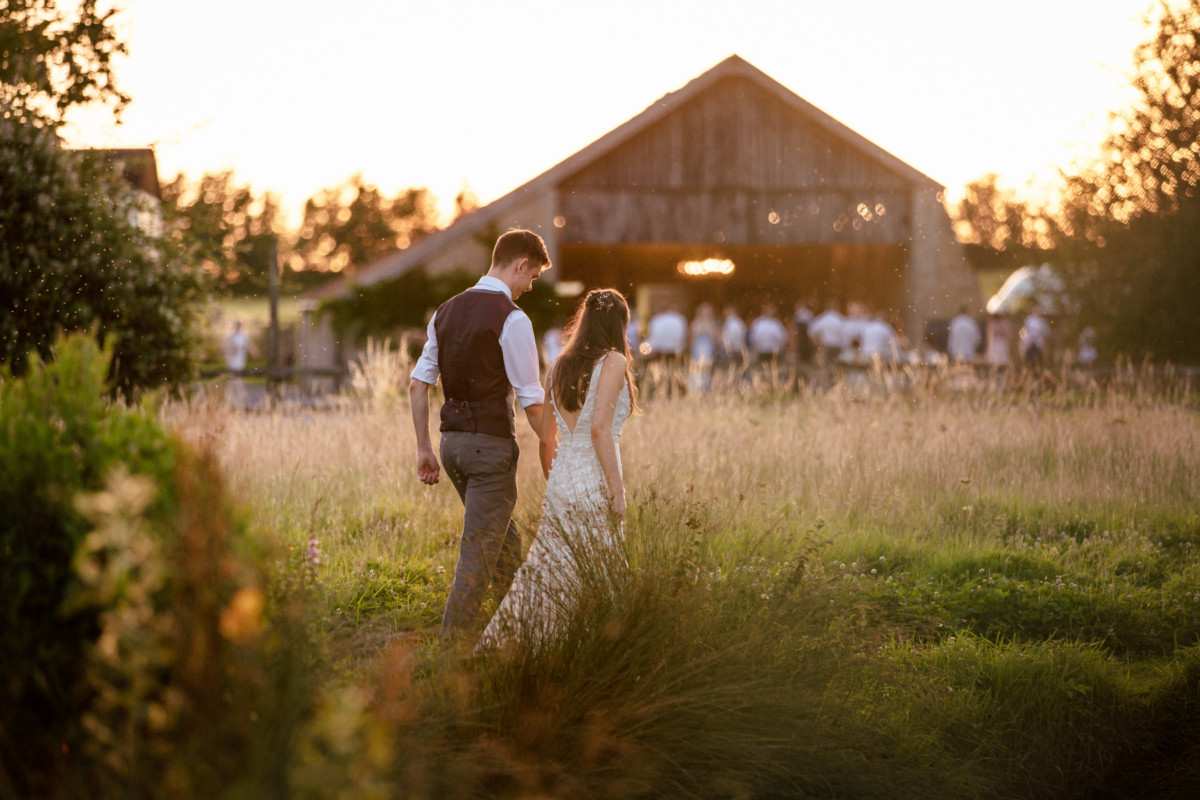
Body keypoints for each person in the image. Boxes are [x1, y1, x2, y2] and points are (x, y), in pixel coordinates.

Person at [408, 229, 550, 641]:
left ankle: (517, 635)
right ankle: (450, 658)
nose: (528, 287)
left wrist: (424, 449)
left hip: (451, 447)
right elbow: (531, 400)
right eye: (533, 277)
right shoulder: (513, 318)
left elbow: (418, 385)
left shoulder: (445, 311)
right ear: (520, 264)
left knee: (504, 547)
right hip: (489, 451)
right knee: (477, 557)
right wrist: (558, 448)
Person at [478, 288, 637, 649]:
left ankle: (522, 641)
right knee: (600, 568)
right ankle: (596, 644)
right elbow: (599, 429)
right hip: (594, 477)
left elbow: (546, 438)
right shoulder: (613, 361)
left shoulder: (558, 365)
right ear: (618, 323)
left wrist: (557, 477)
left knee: (549, 568)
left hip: (563, 478)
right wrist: (617, 489)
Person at [222, 319, 258, 407]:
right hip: (231, 361)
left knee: (237, 379)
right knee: (233, 379)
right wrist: (230, 347)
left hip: (240, 361)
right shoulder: (230, 335)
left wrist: (254, 352)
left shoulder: (244, 335)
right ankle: (233, 399)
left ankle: (237, 399)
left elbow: (250, 345)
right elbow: (223, 346)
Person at [689, 302, 719, 392]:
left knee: (705, 368)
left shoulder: (712, 324)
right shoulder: (696, 323)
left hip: (707, 347)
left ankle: (704, 388)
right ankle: (697, 388)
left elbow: (715, 338)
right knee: (698, 368)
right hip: (699, 347)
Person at [807, 300, 845, 366]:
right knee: (836, 366)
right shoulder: (840, 319)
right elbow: (845, 335)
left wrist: (818, 343)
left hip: (826, 346)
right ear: (837, 307)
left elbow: (811, 332)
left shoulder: (821, 318)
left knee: (825, 366)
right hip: (837, 346)